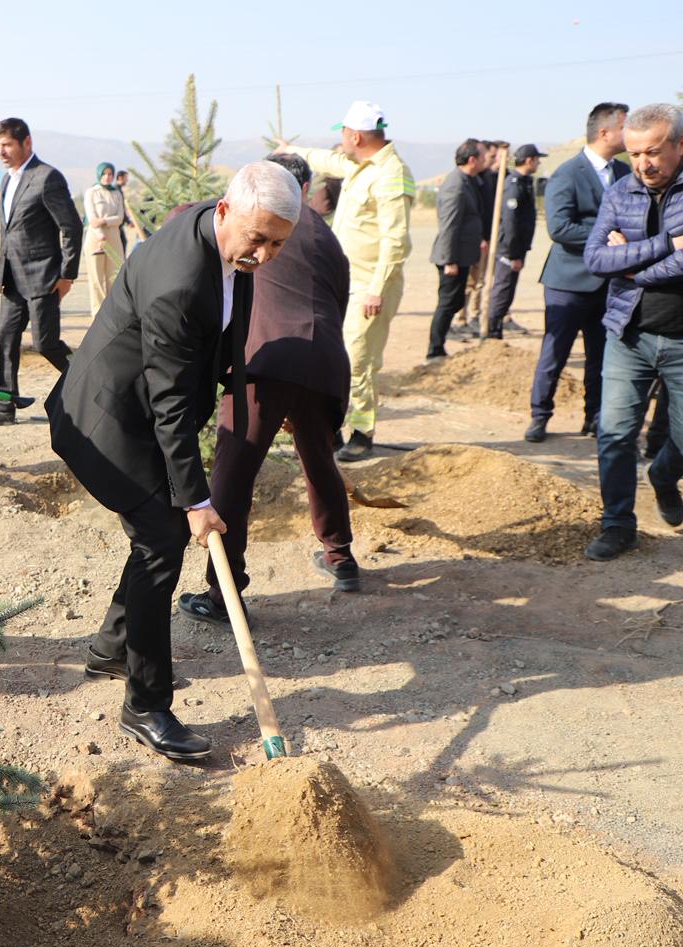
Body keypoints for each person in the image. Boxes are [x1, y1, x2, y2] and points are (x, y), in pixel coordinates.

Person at [47, 161, 300, 762]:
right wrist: (196, 499)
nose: (263, 254)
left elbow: (221, 332)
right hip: (105, 420)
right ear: (225, 211)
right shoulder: (180, 281)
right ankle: (145, 705)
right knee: (162, 538)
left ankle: (113, 648)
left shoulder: (223, 242)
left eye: (277, 244)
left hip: (139, 409)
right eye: (257, 238)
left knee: (152, 538)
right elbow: (169, 402)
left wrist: (243, 387)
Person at [178, 153, 360, 636]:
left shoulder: (253, 222)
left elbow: (190, 218)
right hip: (324, 361)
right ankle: (341, 558)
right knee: (319, 458)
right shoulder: (325, 235)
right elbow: (337, 302)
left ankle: (224, 594)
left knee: (232, 476)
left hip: (268, 360)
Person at [581, 103, 683, 561]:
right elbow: (595, 260)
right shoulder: (621, 189)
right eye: (634, 154)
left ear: (681, 144)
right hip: (628, 335)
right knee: (613, 432)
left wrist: (634, 267)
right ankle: (618, 525)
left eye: (653, 152)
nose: (643, 164)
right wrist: (668, 243)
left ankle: (664, 476)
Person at [273, 101, 415, 463]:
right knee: (336, 354)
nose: (340, 140)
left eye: (343, 134)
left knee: (358, 357)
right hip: (345, 281)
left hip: (370, 285)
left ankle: (363, 433)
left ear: (355, 135)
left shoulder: (390, 174)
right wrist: (291, 151)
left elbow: (396, 240)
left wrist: (377, 289)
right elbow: (327, 161)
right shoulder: (359, 165)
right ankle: (333, 428)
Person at [525, 103, 631, 443]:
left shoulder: (624, 173)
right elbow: (560, 228)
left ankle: (594, 418)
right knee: (554, 354)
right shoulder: (567, 173)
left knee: (601, 357)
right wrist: (606, 238)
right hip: (568, 283)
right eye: (625, 127)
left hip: (608, 283)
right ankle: (540, 416)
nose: (630, 134)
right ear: (605, 132)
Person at [0, 117, 83, 427]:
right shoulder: (7, 180)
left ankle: (94, 384)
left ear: (27, 143)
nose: (1, 151)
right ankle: (4, 405)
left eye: (7, 144)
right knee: (5, 339)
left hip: (43, 278)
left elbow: (70, 226)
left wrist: (67, 274)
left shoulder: (47, 177)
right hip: (12, 280)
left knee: (45, 343)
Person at [427, 139, 488, 360]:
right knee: (447, 303)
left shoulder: (468, 181)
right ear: (472, 160)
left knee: (453, 302)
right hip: (452, 257)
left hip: (462, 255)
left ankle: (439, 344)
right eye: (482, 157)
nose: (485, 161)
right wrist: (449, 260)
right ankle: (434, 350)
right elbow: (449, 225)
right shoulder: (456, 185)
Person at [485, 144, 542, 339]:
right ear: (529, 160)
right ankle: (492, 332)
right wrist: (512, 254)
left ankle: (496, 328)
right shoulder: (514, 184)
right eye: (537, 159)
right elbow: (510, 223)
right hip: (510, 249)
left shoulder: (524, 182)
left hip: (518, 248)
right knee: (503, 290)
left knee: (507, 291)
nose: (539, 162)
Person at [457, 140, 503, 336]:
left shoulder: (489, 179)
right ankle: (460, 318)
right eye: (491, 157)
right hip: (474, 240)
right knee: (469, 282)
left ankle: (474, 315)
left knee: (480, 281)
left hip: (485, 238)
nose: (491, 161)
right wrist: (480, 237)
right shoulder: (473, 180)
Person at [83, 163, 126, 314]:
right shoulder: (92, 193)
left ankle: (113, 312)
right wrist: (101, 230)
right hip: (96, 237)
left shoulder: (117, 193)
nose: (107, 177)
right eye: (104, 174)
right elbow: (93, 219)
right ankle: (98, 314)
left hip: (114, 236)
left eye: (110, 174)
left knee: (115, 275)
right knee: (96, 278)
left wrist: (106, 221)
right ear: (99, 174)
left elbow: (120, 218)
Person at [115, 168, 140, 251]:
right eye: (126, 178)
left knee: (123, 242)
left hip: (119, 223)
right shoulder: (116, 190)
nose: (127, 180)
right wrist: (128, 221)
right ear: (120, 178)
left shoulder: (118, 190)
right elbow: (120, 208)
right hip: (116, 223)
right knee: (122, 243)